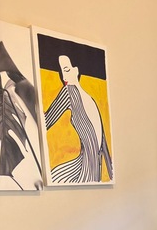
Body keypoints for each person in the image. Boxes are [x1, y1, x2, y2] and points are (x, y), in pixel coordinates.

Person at [44, 55, 113, 184]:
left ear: (76, 70)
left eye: (66, 70)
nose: (64, 78)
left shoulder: (78, 96)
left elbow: (103, 144)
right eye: (61, 73)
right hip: (89, 172)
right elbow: (45, 122)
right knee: (55, 177)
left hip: (89, 173)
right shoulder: (74, 94)